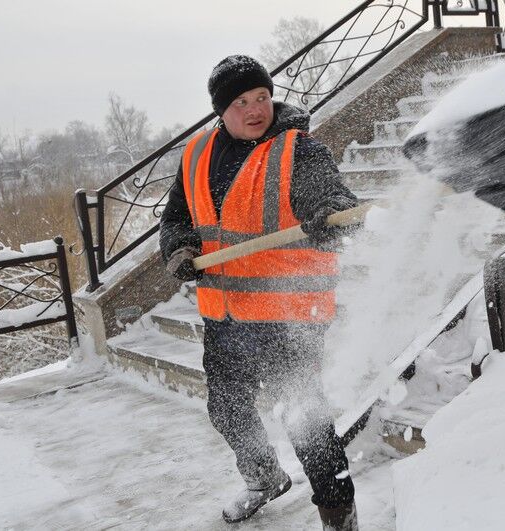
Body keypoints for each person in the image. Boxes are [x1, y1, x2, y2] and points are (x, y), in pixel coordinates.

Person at [159, 55, 358, 530]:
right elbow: (176, 217)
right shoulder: (197, 154)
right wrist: (180, 247)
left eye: (262, 97)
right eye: (242, 102)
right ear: (221, 110)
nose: (255, 110)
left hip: (287, 316)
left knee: (306, 423)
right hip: (224, 315)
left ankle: (338, 516)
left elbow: (331, 199)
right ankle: (264, 477)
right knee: (227, 410)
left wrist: (329, 216)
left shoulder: (299, 151)